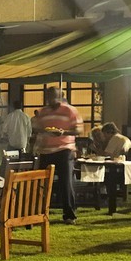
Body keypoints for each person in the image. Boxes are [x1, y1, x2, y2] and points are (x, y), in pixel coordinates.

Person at [32, 87, 80, 223]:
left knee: (65, 182)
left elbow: (78, 130)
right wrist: (42, 131)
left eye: (53, 96)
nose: (50, 99)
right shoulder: (43, 112)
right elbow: (36, 127)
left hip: (64, 150)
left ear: (59, 96)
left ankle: (69, 214)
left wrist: (63, 132)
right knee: (41, 182)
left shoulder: (69, 111)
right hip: (46, 150)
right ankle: (39, 212)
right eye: (48, 96)